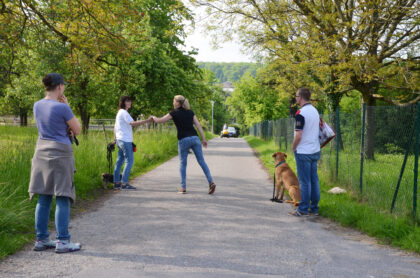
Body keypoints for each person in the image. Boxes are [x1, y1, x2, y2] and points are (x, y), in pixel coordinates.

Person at [29, 73, 82, 253]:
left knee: (43, 196)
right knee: (62, 195)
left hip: (42, 151)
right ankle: (63, 241)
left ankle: (42, 238)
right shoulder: (63, 108)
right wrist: (67, 106)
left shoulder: (37, 105)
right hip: (61, 153)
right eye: (64, 86)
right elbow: (77, 130)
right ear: (59, 87)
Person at [152, 95, 216, 194]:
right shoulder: (190, 112)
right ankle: (211, 182)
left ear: (178, 102)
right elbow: (198, 125)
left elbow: (160, 121)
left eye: (174, 101)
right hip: (195, 138)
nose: (173, 103)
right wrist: (203, 139)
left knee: (183, 164)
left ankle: (183, 187)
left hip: (183, 140)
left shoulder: (174, 113)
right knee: (201, 161)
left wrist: (153, 117)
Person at [289, 88, 321, 217]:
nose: (296, 98)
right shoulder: (315, 111)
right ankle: (314, 208)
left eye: (297, 96)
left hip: (303, 151)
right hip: (315, 150)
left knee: (305, 181)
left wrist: (293, 147)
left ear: (300, 97)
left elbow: (299, 135)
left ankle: (302, 209)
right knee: (314, 180)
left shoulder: (301, 113)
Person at [113, 96, 152, 190]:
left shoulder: (119, 112)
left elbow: (115, 127)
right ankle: (124, 183)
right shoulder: (124, 112)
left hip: (120, 140)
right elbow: (133, 123)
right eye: (127, 101)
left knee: (119, 161)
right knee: (129, 161)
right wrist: (147, 121)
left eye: (130, 101)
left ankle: (116, 182)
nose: (130, 103)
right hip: (125, 141)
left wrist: (115, 139)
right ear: (122, 102)